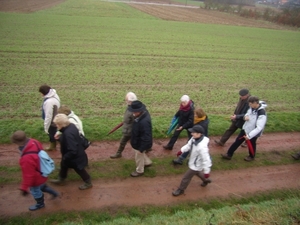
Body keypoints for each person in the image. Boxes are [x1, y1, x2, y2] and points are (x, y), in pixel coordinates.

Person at [11, 130, 59, 211]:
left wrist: (24, 188)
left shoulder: (26, 159)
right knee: (42, 185)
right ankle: (54, 193)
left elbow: (29, 175)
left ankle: (40, 204)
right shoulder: (34, 141)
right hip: (43, 171)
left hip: (36, 178)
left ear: (17, 142)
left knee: (35, 191)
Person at [51, 114, 92, 190]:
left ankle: (88, 182)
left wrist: (66, 157)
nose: (56, 126)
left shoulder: (67, 134)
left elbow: (73, 149)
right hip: (74, 153)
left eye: (57, 124)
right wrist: (59, 139)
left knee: (79, 169)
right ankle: (61, 179)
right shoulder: (71, 126)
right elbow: (70, 141)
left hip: (74, 157)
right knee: (64, 165)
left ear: (61, 124)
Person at [221, 96, 267, 162]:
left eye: (250, 104)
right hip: (246, 129)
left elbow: (259, 127)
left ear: (255, 103)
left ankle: (251, 156)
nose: (249, 105)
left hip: (253, 132)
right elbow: (247, 114)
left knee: (251, 144)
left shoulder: (261, 113)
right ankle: (229, 154)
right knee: (237, 141)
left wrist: (249, 136)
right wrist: (244, 117)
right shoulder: (251, 108)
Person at [172, 125, 212, 197]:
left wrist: (207, 172)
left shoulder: (202, 147)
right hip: (193, 161)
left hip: (196, 164)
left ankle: (181, 189)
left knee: (186, 177)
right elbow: (188, 145)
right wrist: (181, 151)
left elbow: (206, 160)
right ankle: (206, 180)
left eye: (194, 132)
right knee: (197, 172)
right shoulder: (194, 139)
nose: (191, 133)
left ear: (199, 134)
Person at [128, 100, 153, 177]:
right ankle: (147, 162)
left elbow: (146, 137)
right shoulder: (142, 115)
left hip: (140, 144)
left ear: (139, 111)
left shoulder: (144, 122)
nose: (133, 113)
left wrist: (141, 148)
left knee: (138, 155)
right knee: (140, 154)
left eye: (134, 112)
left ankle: (139, 171)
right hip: (138, 141)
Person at [110, 92, 138, 159]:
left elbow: (136, 120)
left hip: (129, 130)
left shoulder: (134, 110)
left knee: (125, 142)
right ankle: (147, 148)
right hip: (129, 129)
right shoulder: (130, 107)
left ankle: (118, 153)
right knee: (136, 142)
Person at [39, 85, 61, 151]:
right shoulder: (54, 95)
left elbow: (48, 116)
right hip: (56, 118)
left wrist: (46, 127)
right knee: (55, 134)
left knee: (52, 134)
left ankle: (54, 146)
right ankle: (53, 145)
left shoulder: (49, 102)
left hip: (52, 121)